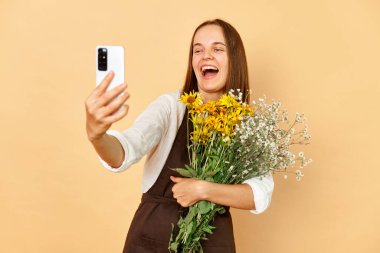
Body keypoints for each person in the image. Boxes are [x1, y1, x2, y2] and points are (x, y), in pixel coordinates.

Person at [85, 19, 274, 253]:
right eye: (198, 50)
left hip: (213, 242)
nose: (206, 56)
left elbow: (259, 195)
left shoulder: (247, 124)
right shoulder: (171, 107)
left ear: (234, 59)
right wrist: (97, 136)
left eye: (217, 49)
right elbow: (127, 149)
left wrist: (203, 190)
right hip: (153, 238)